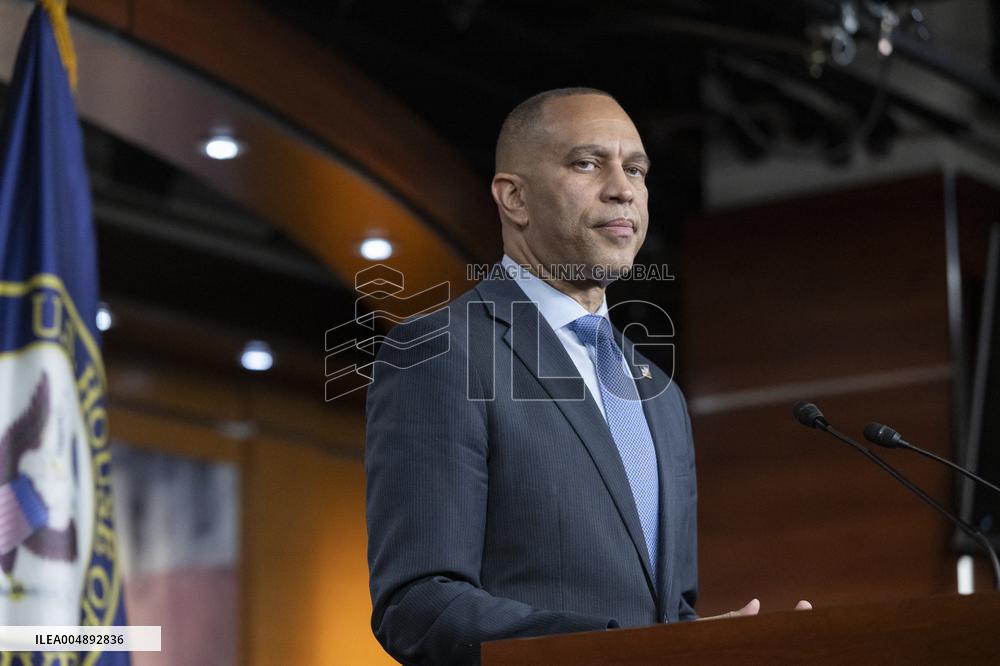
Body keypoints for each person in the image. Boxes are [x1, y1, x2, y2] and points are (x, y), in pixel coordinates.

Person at [365, 88, 804, 666]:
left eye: (637, 169)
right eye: (587, 163)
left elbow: (668, 617)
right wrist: (620, 654)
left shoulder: (660, 395)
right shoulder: (439, 352)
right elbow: (420, 605)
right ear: (514, 198)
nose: (624, 188)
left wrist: (713, 646)